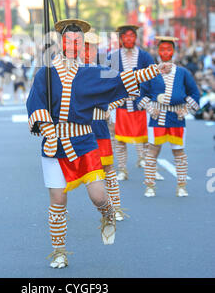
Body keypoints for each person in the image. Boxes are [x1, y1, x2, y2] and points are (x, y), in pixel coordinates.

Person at [26, 18, 171, 269]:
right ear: (60, 43)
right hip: (54, 143)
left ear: (82, 45)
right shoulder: (45, 74)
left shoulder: (90, 73)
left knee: (97, 195)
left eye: (78, 41)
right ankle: (59, 251)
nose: (73, 44)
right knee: (58, 200)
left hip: (83, 140)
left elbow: (121, 80)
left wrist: (155, 70)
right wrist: (46, 126)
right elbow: (34, 103)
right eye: (68, 40)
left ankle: (107, 213)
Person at [137, 36, 200, 197]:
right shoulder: (151, 72)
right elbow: (141, 94)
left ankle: (181, 186)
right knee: (152, 151)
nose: (165, 52)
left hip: (176, 118)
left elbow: (194, 93)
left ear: (174, 52)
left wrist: (186, 109)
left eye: (169, 49)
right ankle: (149, 185)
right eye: (162, 49)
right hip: (157, 117)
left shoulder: (183, 72)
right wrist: (150, 107)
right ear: (157, 52)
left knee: (179, 152)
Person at [82, 31, 127, 222]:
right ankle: (60, 209)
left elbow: (123, 92)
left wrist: (110, 106)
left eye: (90, 48)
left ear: (95, 51)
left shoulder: (104, 71)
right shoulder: (67, 71)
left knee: (107, 168)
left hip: (98, 127)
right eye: (83, 47)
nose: (87, 52)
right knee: (66, 170)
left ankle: (115, 206)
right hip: (75, 129)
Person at [108, 25, 161, 181]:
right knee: (119, 138)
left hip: (140, 102)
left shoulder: (144, 56)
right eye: (126, 36)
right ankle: (123, 169)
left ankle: (146, 162)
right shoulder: (113, 56)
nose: (129, 38)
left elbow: (153, 78)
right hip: (120, 103)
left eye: (132, 35)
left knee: (145, 137)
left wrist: (150, 99)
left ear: (136, 38)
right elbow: (107, 79)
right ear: (121, 39)